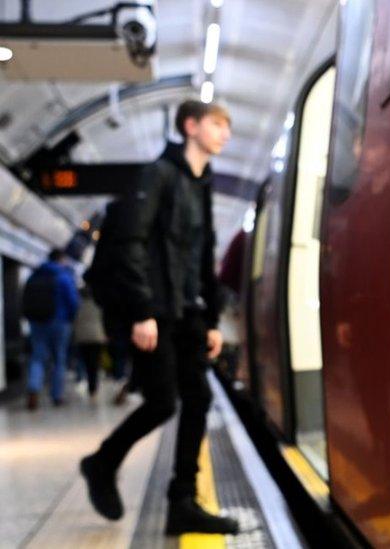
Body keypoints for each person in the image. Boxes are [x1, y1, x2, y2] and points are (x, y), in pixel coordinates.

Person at [79, 100, 238, 535]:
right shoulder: (159, 175)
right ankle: (102, 462)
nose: (225, 134)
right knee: (164, 401)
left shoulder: (201, 185)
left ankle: (182, 502)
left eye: (227, 127)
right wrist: (142, 311)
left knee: (199, 398)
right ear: (191, 126)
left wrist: (211, 320)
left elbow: (202, 260)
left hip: (186, 312)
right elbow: (132, 242)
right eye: (217, 125)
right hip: (156, 310)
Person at [24, 249, 79, 409]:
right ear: (61, 259)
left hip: (37, 322)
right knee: (59, 358)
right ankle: (57, 395)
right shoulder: (63, 276)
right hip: (59, 322)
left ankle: (34, 387)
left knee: (37, 357)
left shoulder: (34, 275)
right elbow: (73, 302)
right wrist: (71, 318)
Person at [73, 287, 106, 399]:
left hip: (82, 338)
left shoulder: (77, 305)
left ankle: (87, 383)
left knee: (86, 362)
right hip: (97, 337)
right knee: (94, 364)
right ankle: (93, 388)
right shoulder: (99, 304)